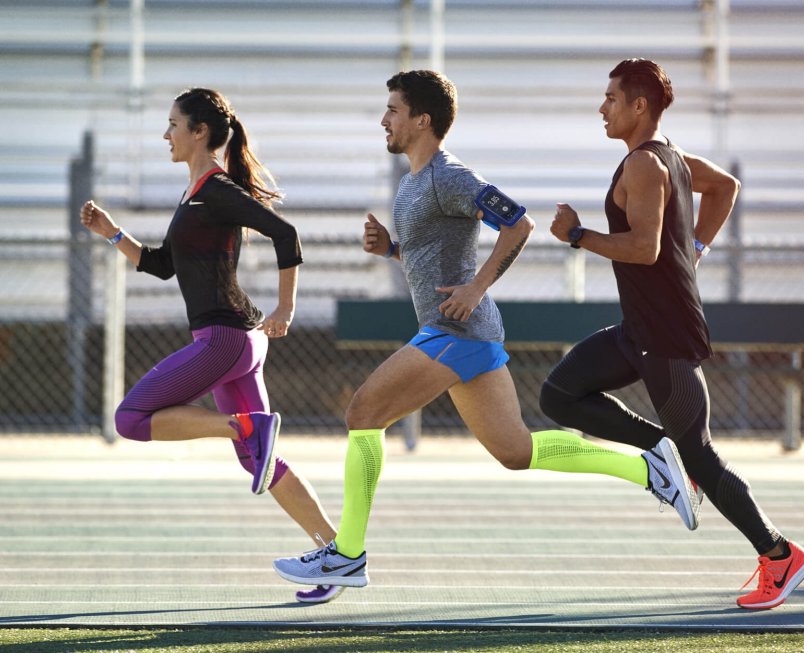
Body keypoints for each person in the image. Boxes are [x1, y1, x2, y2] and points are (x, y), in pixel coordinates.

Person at [271, 69, 700, 591]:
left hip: (456, 330)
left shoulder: (449, 176)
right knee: (516, 451)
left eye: (393, 110)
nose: (384, 119)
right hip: (465, 333)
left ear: (421, 120)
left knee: (363, 413)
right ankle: (649, 470)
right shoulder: (413, 182)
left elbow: (518, 223)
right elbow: (433, 256)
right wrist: (391, 249)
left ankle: (348, 555)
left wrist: (474, 288)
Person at [541, 58, 804, 610]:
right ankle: (658, 450)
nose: (602, 107)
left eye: (611, 98)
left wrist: (577, 235)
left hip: (662, 335)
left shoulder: (647, 165)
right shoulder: (670, 158)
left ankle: (780, 555)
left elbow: (643, 249)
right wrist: (695, 251)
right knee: (559, 394)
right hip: (638, 330)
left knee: (703, 459)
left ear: (639, 106)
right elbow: (726, 188)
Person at [79, 87, 342, 604]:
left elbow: (286, 235)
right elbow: (161, 265)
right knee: (259, 461)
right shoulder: (194, 192)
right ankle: (337, 554)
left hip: (227, 340)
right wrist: (112, 233)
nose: (166, 134)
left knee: (130, 419)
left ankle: (243, 426)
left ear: (199, 132)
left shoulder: (216, 189)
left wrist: (286, 309)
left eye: (173, 124)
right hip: (235, 342)